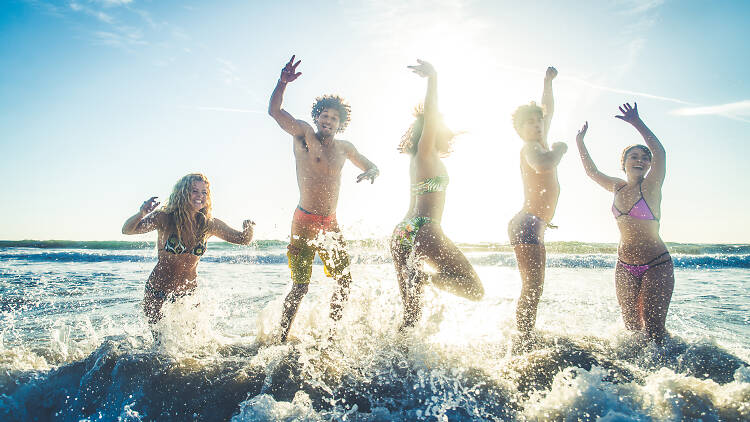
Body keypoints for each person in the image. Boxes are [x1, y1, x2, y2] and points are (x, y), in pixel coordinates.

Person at [268, 55, 379, 342]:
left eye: (334, 118)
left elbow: (370, 164)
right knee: (301, 286)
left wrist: (372, 172)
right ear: (317, 117)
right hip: (303, 221)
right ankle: (281, 337)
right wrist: (282, 82)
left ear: (341, 124)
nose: (328, 121)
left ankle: (329, 336)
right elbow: (275, 111)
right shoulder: (304, 135)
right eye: (325, 116)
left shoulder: (345, 148)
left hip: (330, 225)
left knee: (344, 281)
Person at [390, 59, 484, 331]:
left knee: (410, 316)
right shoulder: (426, 152)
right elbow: (431, 114)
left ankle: (396, 368)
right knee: (474, 289)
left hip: (403, 231)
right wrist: (434, 79)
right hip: (424, 229)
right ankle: (425, 281)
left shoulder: (419, 159)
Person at [575, 103, 673, 342]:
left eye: (644, 158)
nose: (640, 160)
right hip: (624, 266)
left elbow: (660, 152)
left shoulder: (650, 186)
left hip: (656, 264)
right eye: (634, 156)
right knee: (631, 327)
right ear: (624, 162)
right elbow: (591, 172)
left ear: (649, 165)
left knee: (653, 329)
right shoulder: (617, 187)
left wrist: (636, 122)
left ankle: (667, 370)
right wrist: (580, 142)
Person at [122, 173, 254, 325]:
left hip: (188, 296)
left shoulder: (209, 224)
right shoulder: (164, 218)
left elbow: (243, 240)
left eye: (204, 192)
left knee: (193, 346)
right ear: (183, 193)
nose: (200, 196)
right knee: (160, 347)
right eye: (194, 191)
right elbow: (127, 230)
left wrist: (249, 228)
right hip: (158, 294)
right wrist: (142, 214)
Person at [509, 66, 567, 336]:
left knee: (536, 287)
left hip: (536, 224)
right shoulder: (531, 148)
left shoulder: (540, 141)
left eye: (539, 122)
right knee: (532, 286)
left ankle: (525, 333)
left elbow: (547, 108)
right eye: (530, 123)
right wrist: (560, 148)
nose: (537, 125)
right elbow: (544, 166)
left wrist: (547, 82)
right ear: (520, 130)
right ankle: (522, 337)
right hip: (527, 223)